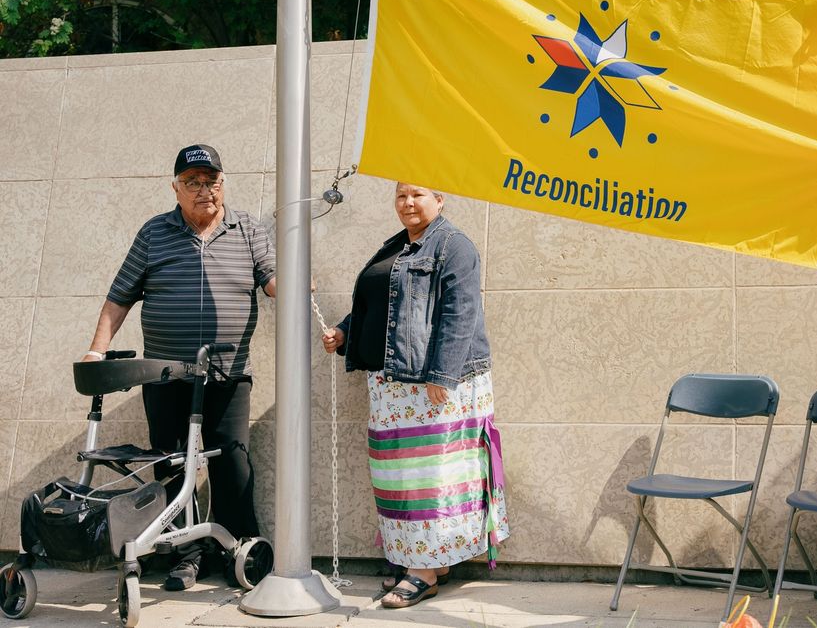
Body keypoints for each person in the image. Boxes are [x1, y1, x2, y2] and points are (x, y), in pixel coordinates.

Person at [83, 144, 276, 590]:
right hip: (167, 376)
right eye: (193, 182)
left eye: (211, 180)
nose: (204, 190)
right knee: (171, 464)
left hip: (227, 373)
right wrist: (96, 350)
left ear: (223, 183)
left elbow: (272, 282)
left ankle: (241, 551)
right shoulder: (154, 232)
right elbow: (120, 297)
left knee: (233, 463)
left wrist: (294, 279)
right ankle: (183, 555)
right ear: (175, 188)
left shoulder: (246, 227)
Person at [322, 183, 508, 609]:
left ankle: (422, 570)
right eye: (401, 195)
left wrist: (442, 375)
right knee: (399, 480)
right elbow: (380, 303)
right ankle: (428, 562)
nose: (408, 203)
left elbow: (460, 312)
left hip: (434, 384)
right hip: (392, 386)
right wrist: (346, 332)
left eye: (418, 195)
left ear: (440, 199)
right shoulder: (396, 246)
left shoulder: (454, 245)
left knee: (431, 480)